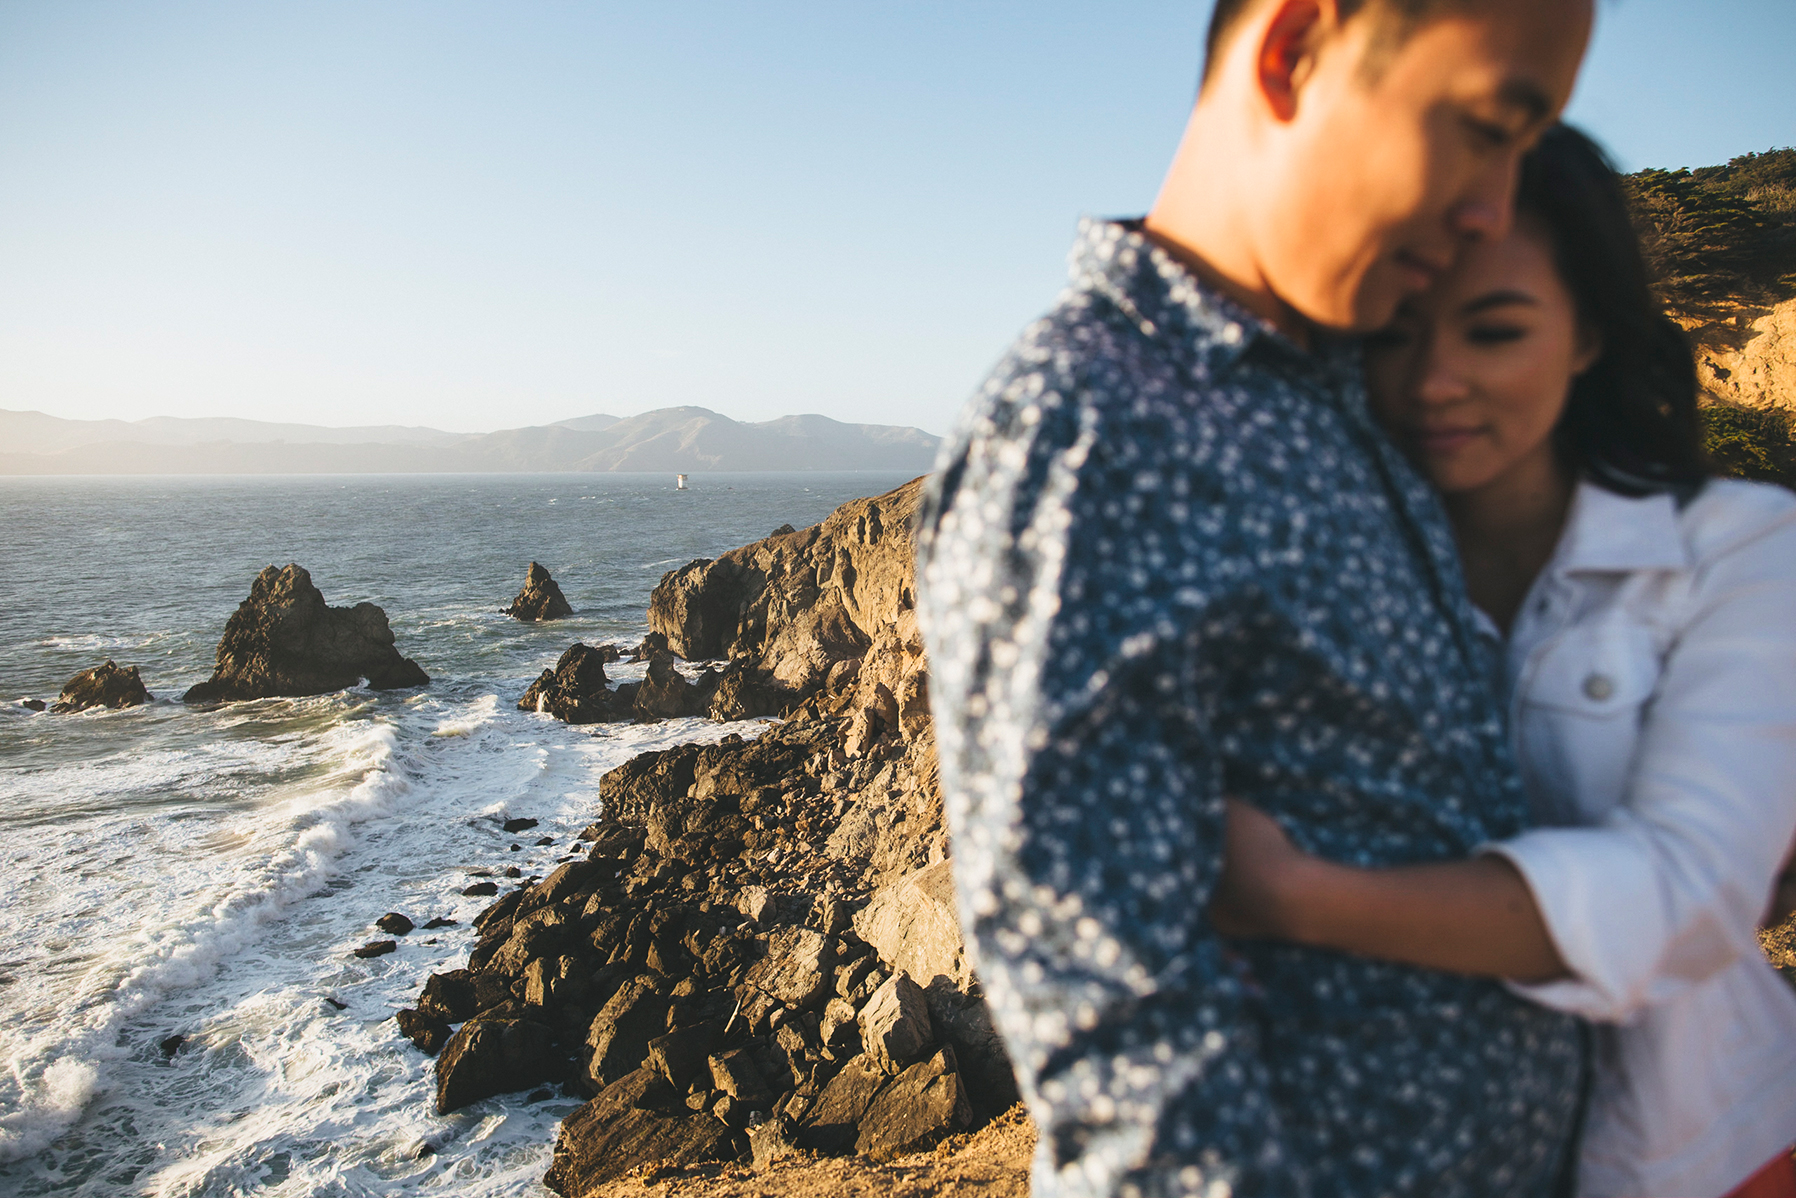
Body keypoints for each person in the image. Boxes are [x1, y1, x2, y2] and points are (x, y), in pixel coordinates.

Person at [916, 0, 1593, 1194]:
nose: (1495, 206)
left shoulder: (1347, 387)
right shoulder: (1088, 427)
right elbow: (1113, 1021)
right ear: (1291, 51)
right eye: (1485, 128)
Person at [1210, 125, 1796, 1198]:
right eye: (1393, 334)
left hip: (1699, 1152)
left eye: (1493, 330)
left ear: (1584, 335)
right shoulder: (1313, 572)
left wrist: (1303, 898)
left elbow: (1693, 892)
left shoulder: (1735, 549)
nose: (1433, 380)